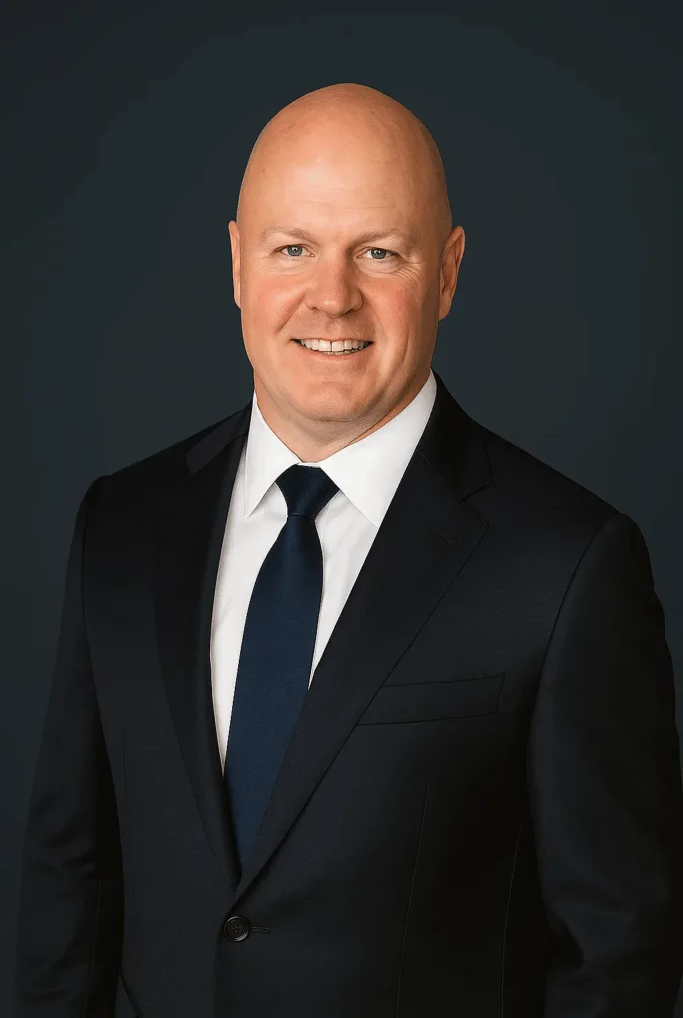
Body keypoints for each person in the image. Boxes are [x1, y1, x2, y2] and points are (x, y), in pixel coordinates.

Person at [15, 82, 683, 1017]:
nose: (331, 297)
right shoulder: (122, 525)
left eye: (378, 252)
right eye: (293, 249)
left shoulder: (570, 564)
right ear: (238, 264)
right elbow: (67, 887)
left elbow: (616, 957)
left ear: (446, 273)